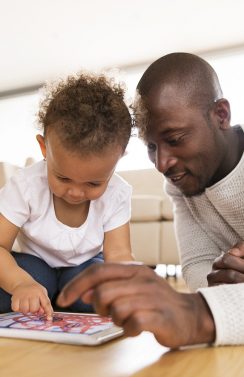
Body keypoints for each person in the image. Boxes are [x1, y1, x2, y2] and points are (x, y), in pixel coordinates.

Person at [56, 52, 244, 347]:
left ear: (221, 115)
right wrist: (225, 286)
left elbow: (202, 294)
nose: (161, 163)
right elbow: (197, 268)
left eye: (175, 138)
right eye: (152, 146)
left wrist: (200, 315)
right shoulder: (181, 185)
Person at [0, 72, 134, 319]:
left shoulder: (118, 193)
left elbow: (119, 255)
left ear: (119, 158)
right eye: (63, 178)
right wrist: (20, 284)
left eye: (93, 183)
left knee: (99, 294)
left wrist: (129, 286)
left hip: (84, 267)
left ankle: (60, 298)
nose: (75, 192)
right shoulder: (26, 185)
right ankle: (44, 293)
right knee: (10, 295)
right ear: (44, 148)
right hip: (33, 265)